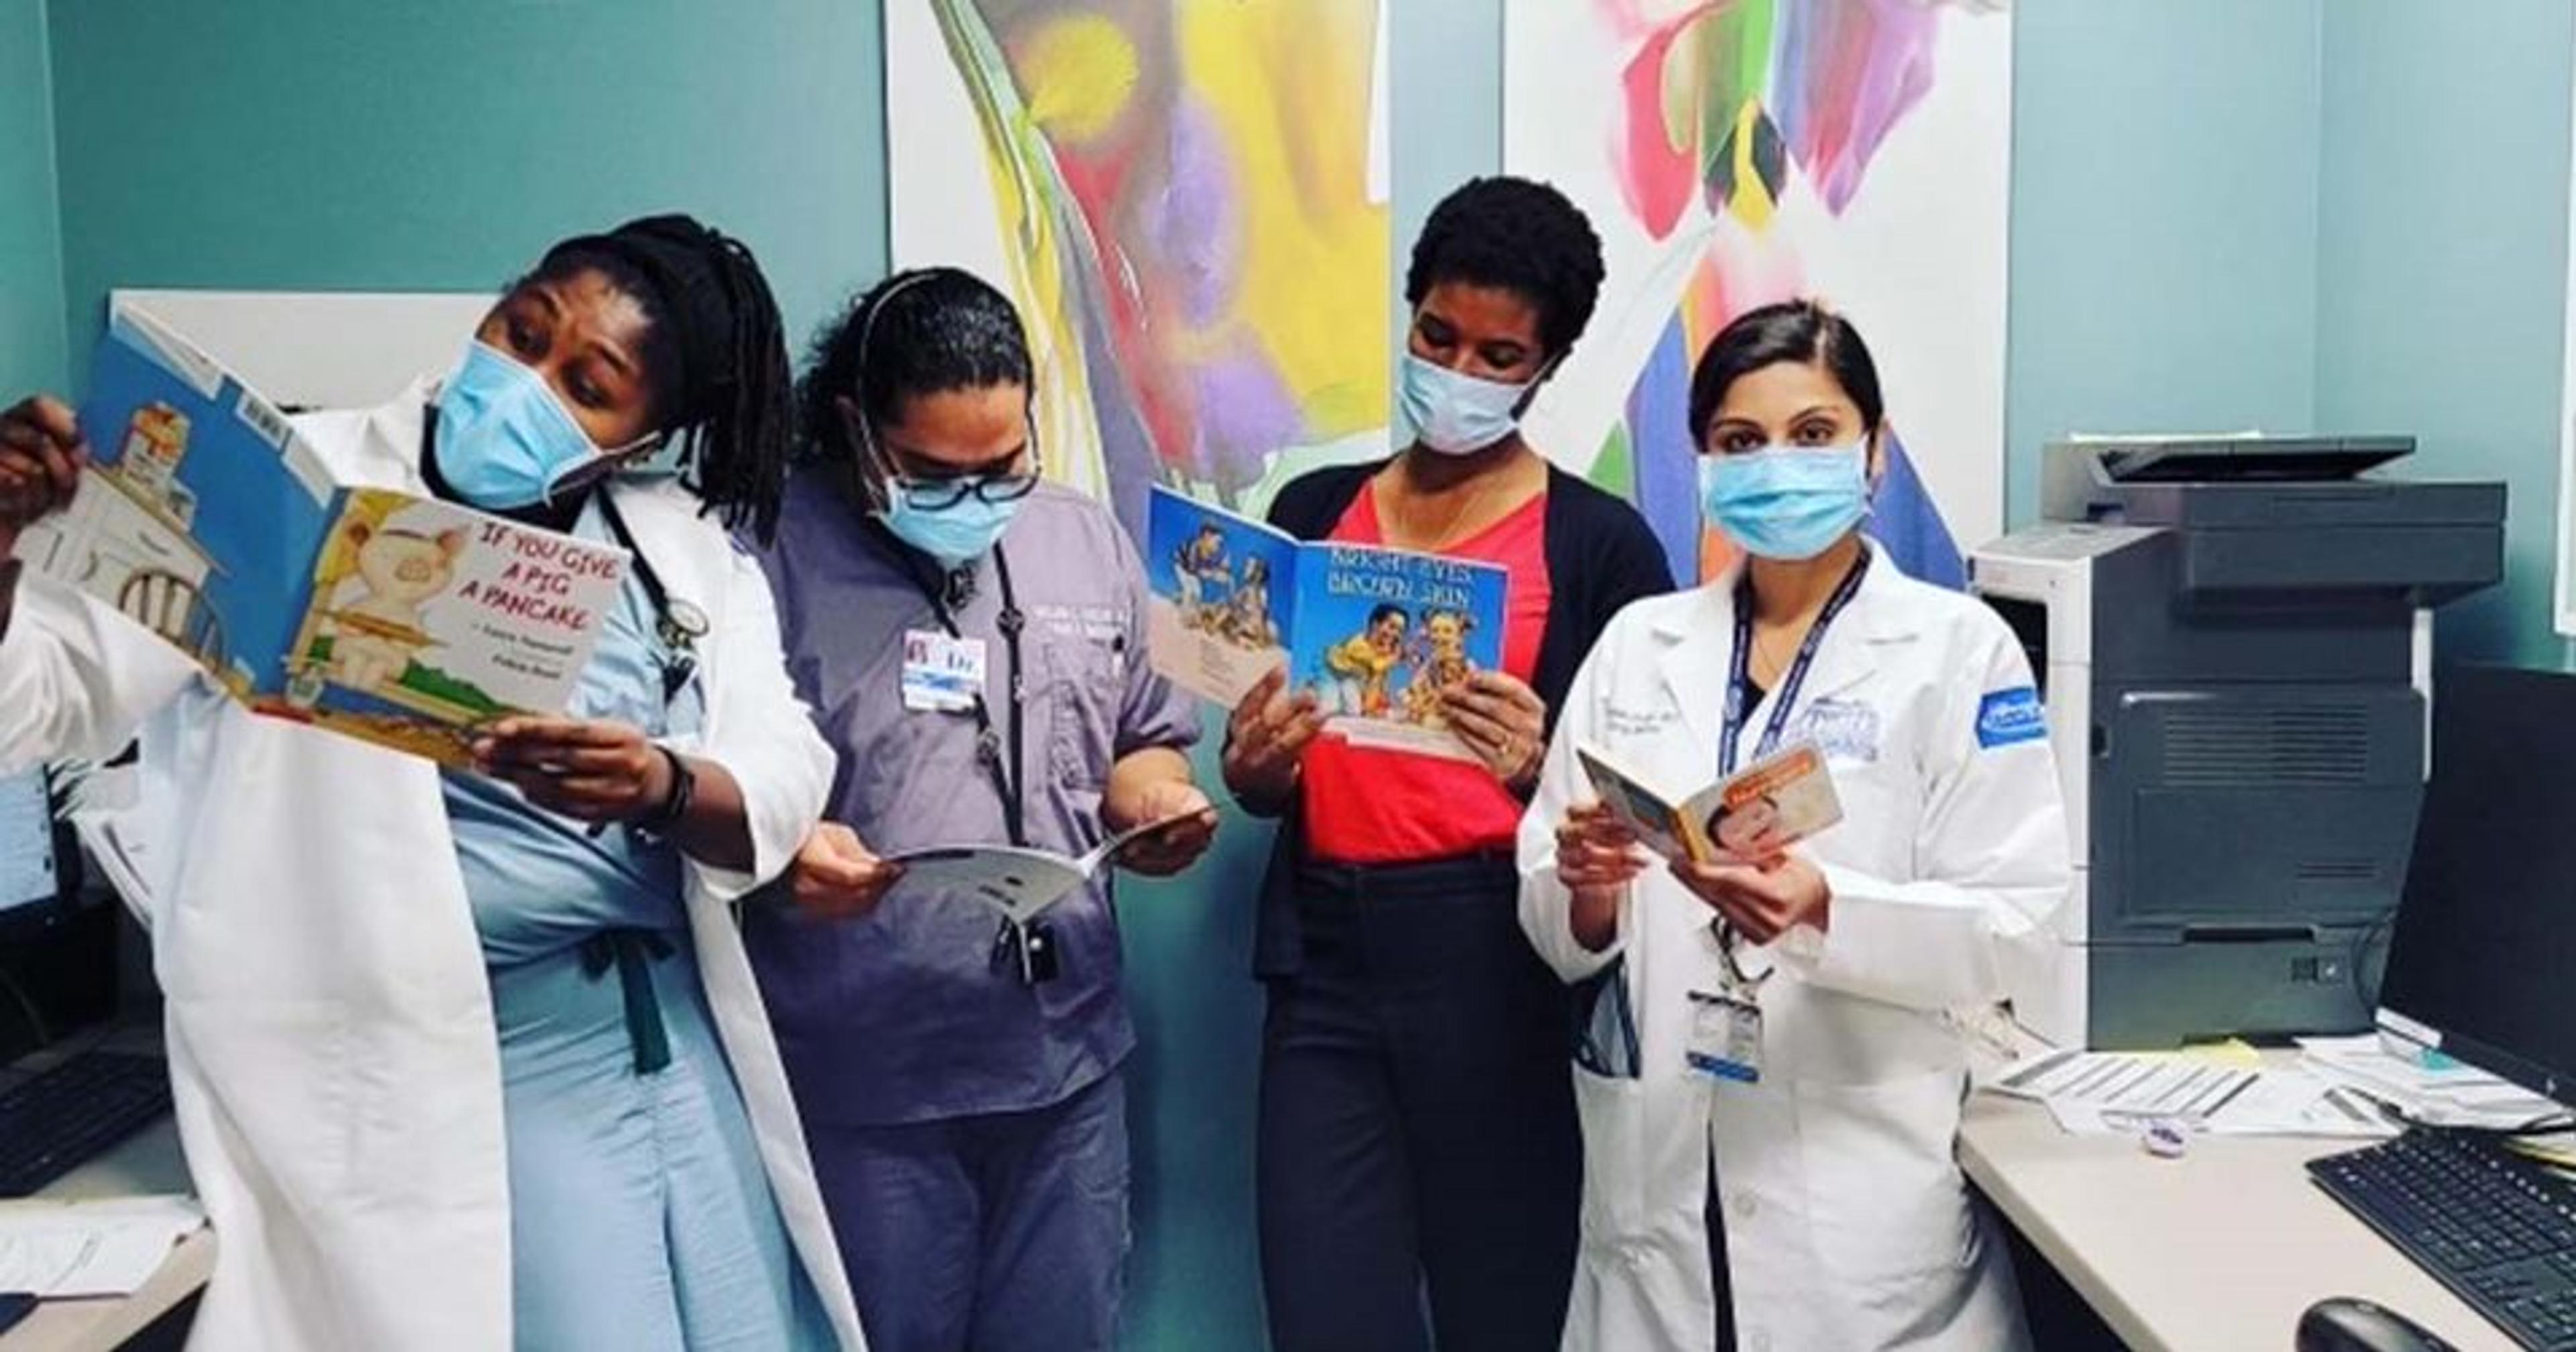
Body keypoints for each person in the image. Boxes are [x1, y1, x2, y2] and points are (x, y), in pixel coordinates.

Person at [0, 215, 864, 1350]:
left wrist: (658, 783)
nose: (522, 380)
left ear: (641, 438)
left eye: (587, 385)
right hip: (440, 1067)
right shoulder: (293, 491)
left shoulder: (678, 550)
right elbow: (42, 702)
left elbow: (786, 761)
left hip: (669, 1049)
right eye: (522, 330)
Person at [1521, 299, 2071, 1351]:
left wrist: (1828, 906)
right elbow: (1554, 932)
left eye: (1812, 434)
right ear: (1706, 464)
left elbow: (2018, 924)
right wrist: (1586, 882)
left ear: (1874, 450)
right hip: (1660, 1173)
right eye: (1741, 442)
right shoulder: (1640, 645)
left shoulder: (1956, 650)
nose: (1776, 464)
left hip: (1862, 1188)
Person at [1224, 175, 1674, 1352]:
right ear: (1410, 311)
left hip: (1500, 971)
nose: (1459, 373)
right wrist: (1258, 767)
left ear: (1547, 366)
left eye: (1497, 354)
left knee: (1507, 1316)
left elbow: (1645, 817)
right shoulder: (1312, 510)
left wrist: (1541, 762)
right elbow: (1263, 774)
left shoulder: (1600, 546)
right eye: (1438, 336)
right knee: (1326, 1317)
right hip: (1324, 965)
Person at [745, 267, 1219, 1352]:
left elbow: (1139, 735)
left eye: (1001, 467)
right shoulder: (765, 554)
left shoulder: (1081, 539)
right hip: (868, 1078)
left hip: (1063, 1070)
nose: (974, 498)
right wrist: (783, 854)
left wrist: (1159, 804)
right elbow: (717, 789)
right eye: (931, 473)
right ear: (859, 432)